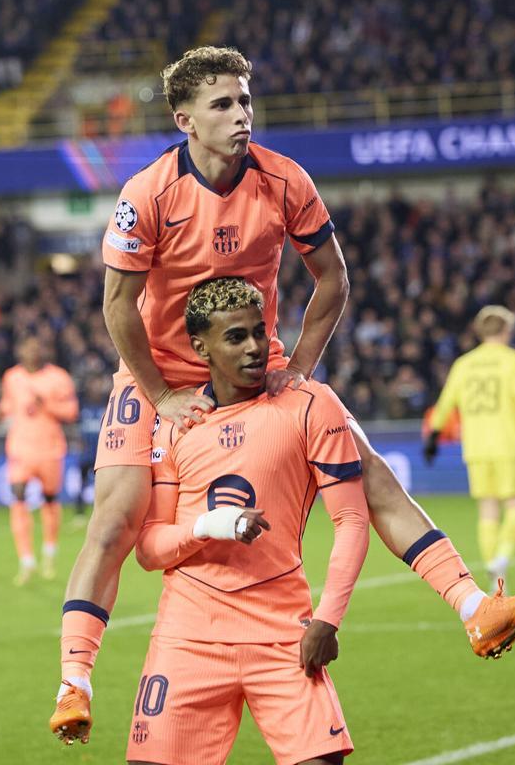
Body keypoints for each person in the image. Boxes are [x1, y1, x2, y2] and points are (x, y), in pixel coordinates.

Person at [53, 47, 515, 742]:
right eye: (224, 104)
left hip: (257, 365)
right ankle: (74, 684)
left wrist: (300, 370)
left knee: (371, 472)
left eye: (246, 100)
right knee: (115, 518)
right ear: (185, 119)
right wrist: (162, 391)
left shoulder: (285, 180)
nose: (242, 115)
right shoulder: (148, 192)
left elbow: (333, 280)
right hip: (159, 374)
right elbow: (116, 305)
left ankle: (475, 607)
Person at [57, 278, 371, 762]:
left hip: (283, 632)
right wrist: (211, 526)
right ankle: (73, 676)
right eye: (235, 337)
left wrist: (327, 620)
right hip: (188, 639)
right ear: (200, 347)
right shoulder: (176, 426)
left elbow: (351, 519)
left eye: (258, 332)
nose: (254, 348)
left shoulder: (310, 405)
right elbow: (150, 549)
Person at [424, 306, 515, 589]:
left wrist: (434, 436)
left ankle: (495, 577)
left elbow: (446, 401)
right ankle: (502, 557)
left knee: (487, 509)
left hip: (476, 446)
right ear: (506, 330)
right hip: (508, 443)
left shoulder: (464, 364)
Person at [0, 337, 80, 585]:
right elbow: (7, 407)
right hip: (20, 448)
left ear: (43, 350)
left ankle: (49, 554)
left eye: (36, 347)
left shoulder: (59, 377)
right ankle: (26, 561)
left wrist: (47, 405)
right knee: (18, 496)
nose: (32, 351)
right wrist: (0, 410)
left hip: (49, 448)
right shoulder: (12, 377)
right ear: (20, 350)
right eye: (27, 347)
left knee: (49, 500)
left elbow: (71, 412)